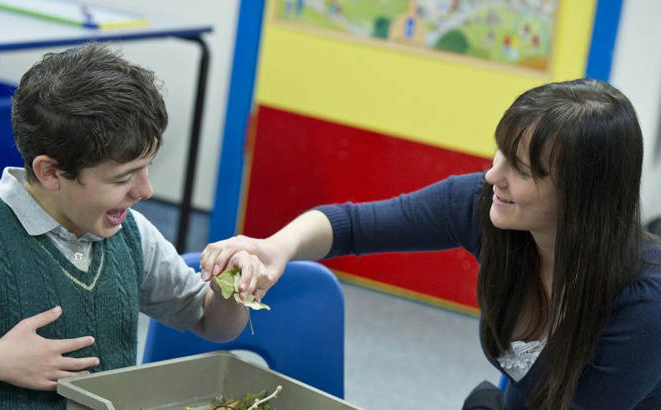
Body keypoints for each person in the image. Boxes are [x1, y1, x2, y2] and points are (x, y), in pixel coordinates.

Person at [200, 78, 661, 410]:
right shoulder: (491, 209)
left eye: (522, 169)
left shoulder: (645, 306)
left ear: (582, 194)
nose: (492, 175)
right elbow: (352, 225)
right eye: (500, 150)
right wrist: (274, 249)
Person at [0, 43, 268, 409]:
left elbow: (212, 324)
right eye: (122, 178)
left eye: (147, 167)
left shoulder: (132, 234)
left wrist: (229, 288)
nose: (146, 190)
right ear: (50, 172)